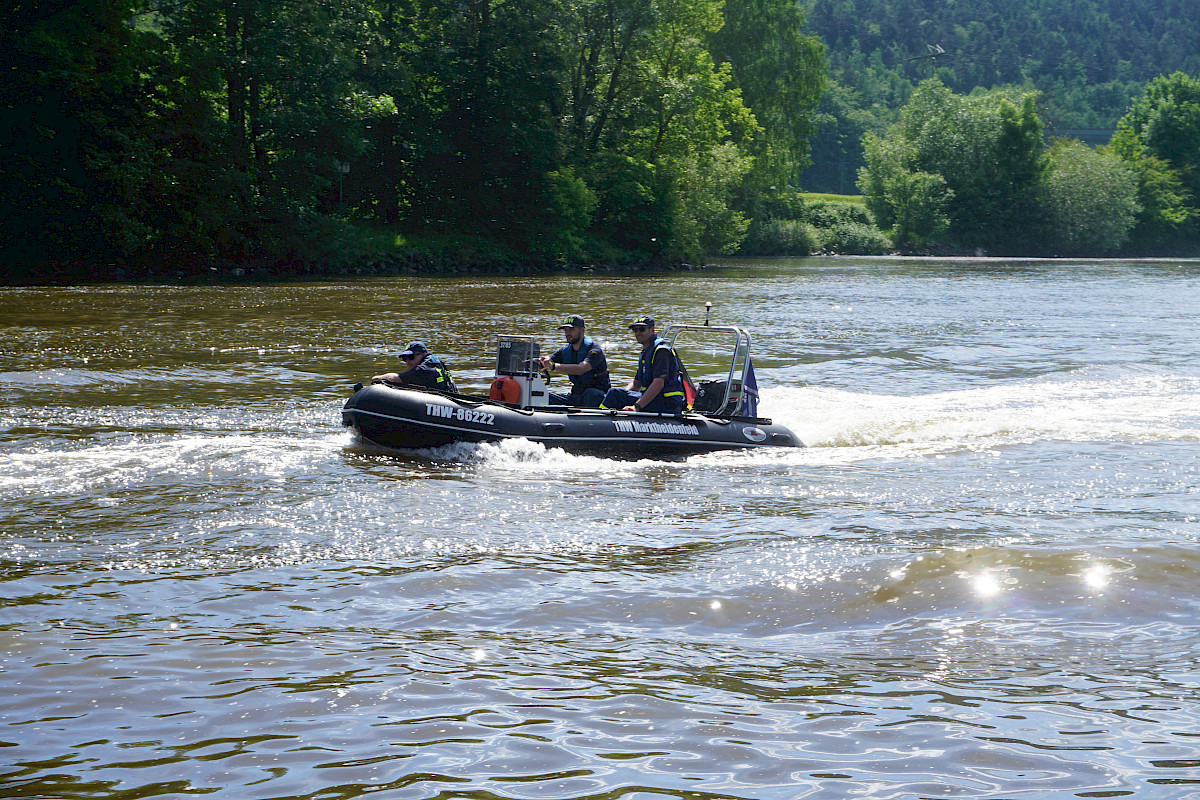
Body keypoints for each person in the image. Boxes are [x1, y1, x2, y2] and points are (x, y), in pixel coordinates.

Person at [600, 316, 686, 414]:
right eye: (635, 330)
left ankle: (596, 420)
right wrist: (623, 394)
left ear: (652, 330)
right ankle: (601, 417)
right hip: (654, 400)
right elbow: (636, 384)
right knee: (614, 393)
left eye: (642, 329)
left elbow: (658, 383)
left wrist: (636, 406)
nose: (638, 333)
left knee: (614, 393)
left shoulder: (661, 351)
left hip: (667, 403)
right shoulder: (646, 352)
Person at [537, 315, 611, 407]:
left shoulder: (595, 351)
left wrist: (553, 366)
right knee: (545, 396)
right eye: (565, 330)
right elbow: (549, 359)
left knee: (590, 393)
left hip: (598, 397)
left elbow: (581, 368)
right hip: (576, 396)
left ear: (582, 330)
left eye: (571, 329)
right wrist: (540, 361)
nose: (567, 333)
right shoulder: (565, 351)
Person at [372, 341, 457, 393]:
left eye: (411, 357)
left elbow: (395, 378)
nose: (408, 362)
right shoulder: (436, 365)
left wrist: (377, 378)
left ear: (423, 354)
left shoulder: (423, 370)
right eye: (405, 358)